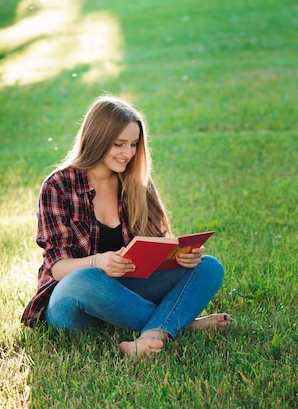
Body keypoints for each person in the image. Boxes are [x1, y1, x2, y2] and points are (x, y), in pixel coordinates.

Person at [21, 95, 229, 357]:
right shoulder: (58, 186)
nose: (128, 153)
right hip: (72, 303)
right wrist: (98, 262)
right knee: (85, 279)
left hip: (126, 291)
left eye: (133, 144)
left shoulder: (136, 182)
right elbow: (58, 267)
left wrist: (180, 258)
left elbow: (156, 247)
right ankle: (179, 324)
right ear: (96, 138)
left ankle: (153, 333)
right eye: (119, 144)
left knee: (209, 266)